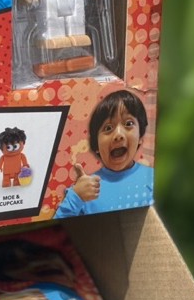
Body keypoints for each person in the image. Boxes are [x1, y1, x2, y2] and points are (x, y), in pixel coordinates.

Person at [54, 89, 153, 218]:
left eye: (128, 124)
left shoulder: (153, 178)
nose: (118, 135)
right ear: (96, 145)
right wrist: (76, 197)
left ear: (140, 136)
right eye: (108, 128)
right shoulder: (85, 189)